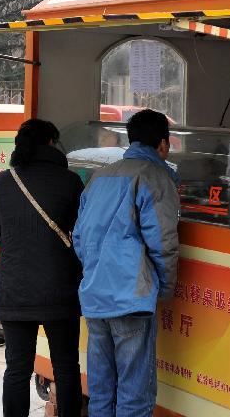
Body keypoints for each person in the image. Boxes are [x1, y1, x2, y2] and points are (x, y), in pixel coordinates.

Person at [73, 109, 180, 416]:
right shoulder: (154, 176)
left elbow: (79, 237)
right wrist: (164, 287)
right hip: (131, 300)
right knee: (135, 395)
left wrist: (97, 271)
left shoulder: (99, 176)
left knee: (102, 391)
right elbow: (163, 242)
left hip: (95, 298)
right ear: (163, 144)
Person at [0, 119, 84, 417]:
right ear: (51, 143)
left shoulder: (3, 181)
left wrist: (12, 243)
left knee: (17, 369)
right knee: (65, 367)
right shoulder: (70, 182)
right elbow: (83, 231)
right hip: (59, 289)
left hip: (15, 289)